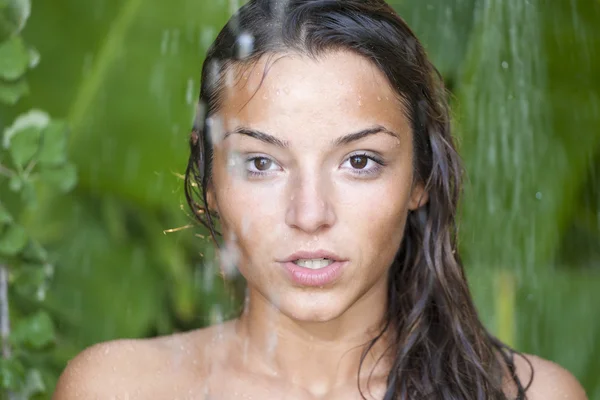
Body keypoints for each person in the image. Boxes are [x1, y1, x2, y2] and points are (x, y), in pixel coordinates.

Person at [53, 0, 587, 399]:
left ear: (420, 177)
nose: (309, 214)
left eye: (360, 161)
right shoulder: (118, 387)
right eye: (260, 163)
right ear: (209, 178)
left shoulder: (530, 395)